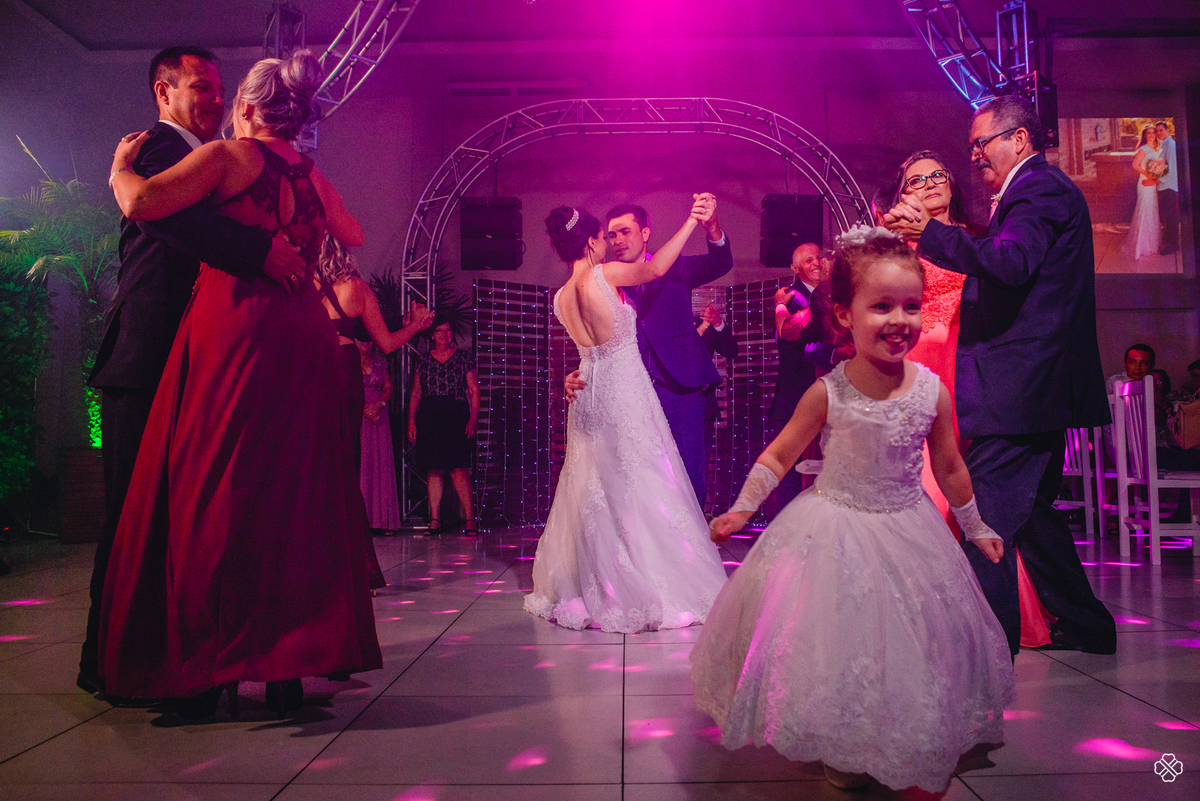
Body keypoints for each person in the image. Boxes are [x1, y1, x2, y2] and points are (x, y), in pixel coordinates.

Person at [100, 51, 381, 717]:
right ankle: (286, 670)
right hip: (303, 335)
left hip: (237, 330)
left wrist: (118, 167)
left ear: (247, 108)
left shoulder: (228, 157)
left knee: (212, 495)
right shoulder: (313, 175)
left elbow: (140, 201)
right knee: (292, 498)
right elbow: (354, 232)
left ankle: (207, 671)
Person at [690, 226, 1013, 793]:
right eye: (881, 306)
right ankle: (836, 735)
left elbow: (950, 467)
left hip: (908, 529)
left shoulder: (931, 392)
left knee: (907, 639)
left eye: (911, 307)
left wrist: (975, 525)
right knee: (834, 640)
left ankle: (893, 730)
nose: (899, 320)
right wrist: (742, 509)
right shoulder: (828, 392)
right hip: (834, 530)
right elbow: (781, 452)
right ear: (844, 315)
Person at [79, 45, 306, 700]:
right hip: (144, 358)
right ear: (164, 90)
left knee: (177, 517)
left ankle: (167, 658)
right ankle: (108, 664)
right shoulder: (154, 150)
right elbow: (174, 219)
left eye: (218, 88)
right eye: (201, 86)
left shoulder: (212, 161)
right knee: (130, 518)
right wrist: (259, 249)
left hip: (194, 360)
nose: (214, 97)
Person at [885, 93, 1116, 656]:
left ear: (1018, 139)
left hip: (1023, 386)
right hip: (1024, 384)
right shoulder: (1031, 192)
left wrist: (931, 233)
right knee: (1032, 515)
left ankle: (987, 646)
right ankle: (1089, 626)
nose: (974, 156)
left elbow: (1011, 265)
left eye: (980, 143)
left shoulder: (1037, 189)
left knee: (983, 515)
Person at [525, 199, 728, 633]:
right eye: (605, 236)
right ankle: (648, 578)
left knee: (597, 489)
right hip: (625, 393)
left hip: (591, 396)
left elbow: (590, 349)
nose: (610, 242)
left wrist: (575, 373)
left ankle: (601, 578)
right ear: (591, 242)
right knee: (645, 484)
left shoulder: (560, 298)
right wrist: (690, 220)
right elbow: (653, 271)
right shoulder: (606, 275)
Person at [565, 201, 733, 506]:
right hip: (631, 395)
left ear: (645, 233)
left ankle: (693, 536)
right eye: (612, 235)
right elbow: (595, 339)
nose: (617, 241)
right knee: (641, 481)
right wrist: (581, 371)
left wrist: (711, 227)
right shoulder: (605, 280)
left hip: (682, 387)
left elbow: (721, 263)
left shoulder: (676, 266)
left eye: (625, 232)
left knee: (689, 475)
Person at [316, 236, 432, 583]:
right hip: (342, 371)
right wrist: (415, 324)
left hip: (310, 370)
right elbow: (387, 343)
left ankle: (317, 567)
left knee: (316, 466)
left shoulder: (302, 285)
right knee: (345, 466)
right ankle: (355, 567)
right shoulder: (357, 289)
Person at [767, 243, 839, 510]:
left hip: (833, 396)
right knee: (794, 472)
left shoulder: (837, 293)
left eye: (819, 257)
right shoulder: (789, 298)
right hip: (797, 395)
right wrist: (838, 355)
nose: (817, 263)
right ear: (794, 268)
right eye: (809, 260)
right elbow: (790, 348)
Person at [407, 316, 480, 535]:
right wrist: (411, 420)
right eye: (440, 331)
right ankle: (435, 519)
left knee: (459, 468)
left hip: (455, 413)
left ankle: (470, 518)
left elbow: (473, 390)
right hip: (430, 414)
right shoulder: (424, 360)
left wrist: (473, 418)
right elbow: (416, 392)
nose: (445, 334)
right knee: (434, 467)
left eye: (448, 330)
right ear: (433, 335)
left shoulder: (463, 358)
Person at [696, 301, 738, 508]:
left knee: (701, 465)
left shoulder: (701, 320)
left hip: (704, 405)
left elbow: (731, 351)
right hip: (671, 405)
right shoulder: (661, 324)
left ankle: (698, 514)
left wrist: (718, 323)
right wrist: (703, 327)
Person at [358, 340, 402, 534]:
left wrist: (379, 405)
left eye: (369, 339)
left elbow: (388, 387)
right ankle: (361, 521)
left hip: (379, 417)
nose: (366, 343)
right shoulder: (348, 360)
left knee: (381, 464)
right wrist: (364, 409)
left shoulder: (379, 361)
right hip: (357, 414)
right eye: (362, 339)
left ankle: (383, 520)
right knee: (362, 463)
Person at [1121, 125, 1162, 262]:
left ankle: (1151, 244)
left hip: (1152, 183)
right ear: (1145, 135)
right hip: (1145, 183)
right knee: (1144, 210)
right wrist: (1148, 175)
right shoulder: (1143, 149)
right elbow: (1135, 165)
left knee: (1152, 210)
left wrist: (1156, 176)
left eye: (1153, 132)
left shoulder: (1156, 148)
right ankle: (1140, 247)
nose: (1151, 135)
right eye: (1148, 133)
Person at [1154, 121, 1179, 256]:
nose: (1158, 133)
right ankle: (1168, 240)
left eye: (1161, 130)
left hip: (1169, 185)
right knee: (1166, 215)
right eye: (1156, 131)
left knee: (1171, 215)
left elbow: (1171, 168)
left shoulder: (1171, 145)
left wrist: (1155, 181)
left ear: (1167, 130)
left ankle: (1173, 245)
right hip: (1163, 186)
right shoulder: (1163, 144)